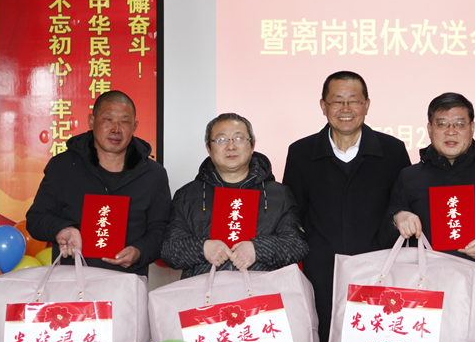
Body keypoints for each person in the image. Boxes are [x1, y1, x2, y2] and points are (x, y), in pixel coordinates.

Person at [283, 71, 411, 342]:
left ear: (366, 105)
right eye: (337, 101)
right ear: (323, 106)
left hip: (379, 269)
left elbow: (402, 208)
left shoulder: (392, 151)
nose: (345, 109)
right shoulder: (301, 152)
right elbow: (293, 215)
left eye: (353, 101)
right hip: (321, 272)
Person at [26, 90, 171, 276]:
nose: (116, 129)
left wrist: (140, 251)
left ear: (134, 126)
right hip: (73, 281)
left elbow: (161, 228)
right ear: (92, 121)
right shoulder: (63, 166)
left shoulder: (153, 174)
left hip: (126, 282)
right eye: (108, 120)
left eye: (124, 122)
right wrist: (62, 228)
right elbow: (36, 218)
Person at [161, 113, 308, 279]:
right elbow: (168, 250)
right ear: (209, 148)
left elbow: (297, 245)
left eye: (239, 139)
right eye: (221, 140)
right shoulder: (187, 195)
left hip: (262, 292)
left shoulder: (279, 194)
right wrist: (202, 248)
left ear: (252, 145)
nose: (231, 146)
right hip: (203, 292)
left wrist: (258, 249)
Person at [383, 92, 475, 266]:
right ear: (429, 129)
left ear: (472, 128)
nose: (451, 131)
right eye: (442, 124)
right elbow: (385, 238)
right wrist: (397, 218)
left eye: (460, 124)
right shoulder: (409, 177)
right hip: (425, 279)